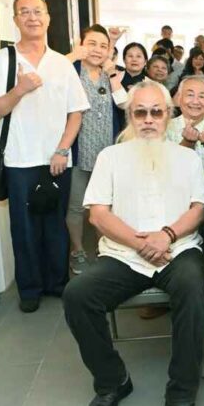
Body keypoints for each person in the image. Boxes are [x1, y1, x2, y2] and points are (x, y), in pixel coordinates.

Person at [62, 80, 204, 406]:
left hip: (178, 248)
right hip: (124, 253)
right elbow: (98, 214)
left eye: (156, 112)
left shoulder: (187, 158)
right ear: (129, 116)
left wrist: (167, 235)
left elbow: (198, 210)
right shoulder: (110, 157)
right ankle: (112, 381)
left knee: (193, 289)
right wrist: (140, 242)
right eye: (140, 112)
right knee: (77, 295)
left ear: (168, 116)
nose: (148, 120)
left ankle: (182, 394)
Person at [0, 0, 90, 313]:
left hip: (58, 159)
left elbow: (76, 112)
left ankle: (57, 283)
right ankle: (29, 289)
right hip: (19, 160)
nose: (32, 18)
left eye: (38, 12)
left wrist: (62, 149)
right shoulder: (4, 60)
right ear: (15, 19)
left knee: (55, 224)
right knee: (25, 228)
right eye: (24, 12)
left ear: (48, 18)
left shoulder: (61, 63)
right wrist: (19, 90)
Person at [66, 25, 128, 275]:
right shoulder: (70, 70)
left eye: (103, 46)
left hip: (108, 152)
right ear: (81, 44)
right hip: (79, 151)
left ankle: (107, 250)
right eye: (92, 43)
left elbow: (124, 105)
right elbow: (51, 74)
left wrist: (113, 77)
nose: (97, 50)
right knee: (76, 207)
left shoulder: (112, 74)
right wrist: (74, 55)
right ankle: (77, 251)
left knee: (107, 206)